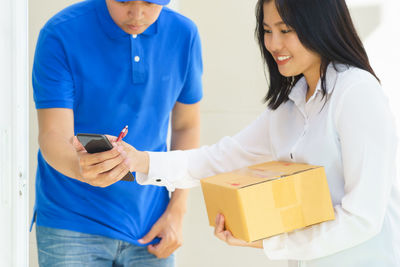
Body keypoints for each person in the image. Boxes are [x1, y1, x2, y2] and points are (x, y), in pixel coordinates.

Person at [108, 0, 400, 266]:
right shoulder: (290, 106)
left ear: (321, 27)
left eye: (285, 30)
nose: (273, 44)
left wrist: (269, 242)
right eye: (267, 30)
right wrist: (139, 160)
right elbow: (221, 159)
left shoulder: (356, 93)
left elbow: (364, 217)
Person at [32, 0, 202, 266]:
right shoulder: (60, 33)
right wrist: (82, 169)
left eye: (149, 1)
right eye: (123, 1)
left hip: (151, 224)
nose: (137, 13)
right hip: (71, 221)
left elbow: (186, 126)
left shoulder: (184, 34)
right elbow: (52, 134)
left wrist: (177, 210)